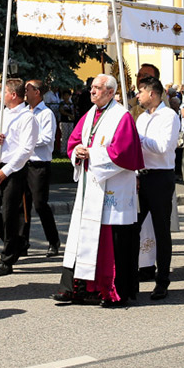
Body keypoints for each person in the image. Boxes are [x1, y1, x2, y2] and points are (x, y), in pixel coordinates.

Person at [53, 74, 143, 308]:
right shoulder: (90, 114)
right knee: (81, 236)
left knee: (111, 242)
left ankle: (112, 290)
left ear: (111, 92)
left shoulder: (121, 116)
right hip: (90, 185)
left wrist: (91, 154)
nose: (91, 92)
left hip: (113, 187)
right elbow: (74, 142)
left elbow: (124, 152)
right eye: (91, 87)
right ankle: (77, 289)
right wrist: (77, 153)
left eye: (97, 88)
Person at [0, 77, 35, 277]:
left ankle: (6, 259)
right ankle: (15, 242)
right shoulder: (2, 114)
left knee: (10, 214)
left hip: (12, 170)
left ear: (13, 95)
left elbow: (26, 149)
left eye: (2, 91)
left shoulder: (27, 117)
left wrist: (7, 171)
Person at [134, 76, 180, 300]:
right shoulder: (141, 117)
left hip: (161, 177)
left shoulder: (169, 116)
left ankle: (162, 281)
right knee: (132, 228)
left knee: (162, 231)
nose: (137, 96)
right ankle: (129, 276)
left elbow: (163, 147)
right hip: (141, 176)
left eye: (140, 92)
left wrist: (138, 138)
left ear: (152, 93)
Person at [23, 79, 62, 258]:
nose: (25, 92)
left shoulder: (46, 114)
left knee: (40, 204)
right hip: (23, 163)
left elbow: (47, 138)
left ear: (37, 92)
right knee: (22, 205)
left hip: (39, 165)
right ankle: (23, 242)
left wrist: (25, 143)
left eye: (28, 89)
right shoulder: (24, 111)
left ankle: (53, 241)